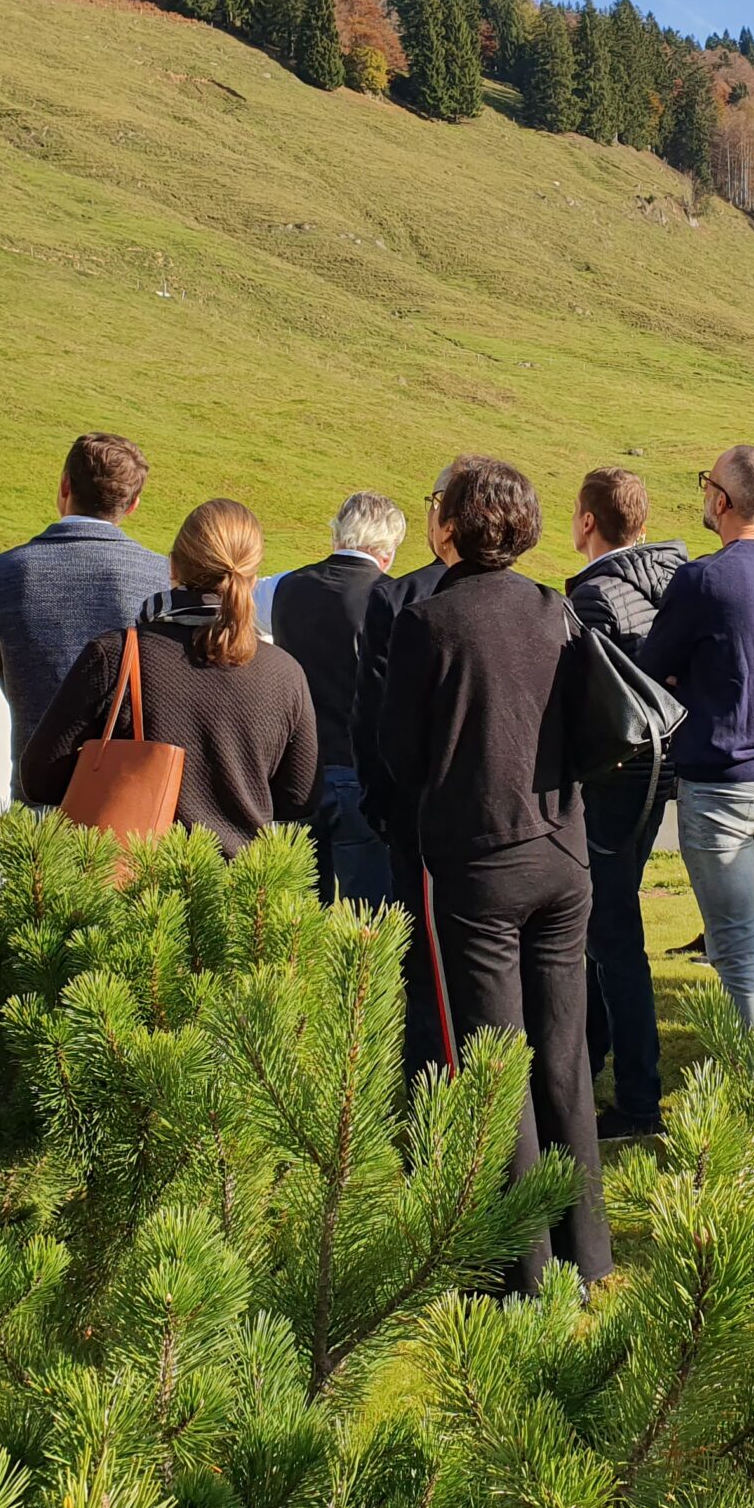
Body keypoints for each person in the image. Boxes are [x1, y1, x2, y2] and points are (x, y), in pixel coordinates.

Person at [380, 456, 609, 1290]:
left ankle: (524, 1268)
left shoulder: (427, 623)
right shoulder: (555, 609)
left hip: (478, 862)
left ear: (451, 525)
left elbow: (399, 754)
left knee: (495, 1062)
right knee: (563, 1054)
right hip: (562, 851)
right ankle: (587, 1252)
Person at [637, 445, 754, 1034]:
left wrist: (688, 676)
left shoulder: (703, 578)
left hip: (722, 781)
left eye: (706, 484)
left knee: (738, 950)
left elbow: (651, 668)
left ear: (721, 500)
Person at [20, 499, 320, 853]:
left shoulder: (115, 655)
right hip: (241, 880)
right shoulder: (285, 672)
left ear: (173, 566)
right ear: (253, 579)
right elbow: (300, 797)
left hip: (133, 874)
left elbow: (39, 778)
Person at [566, 467, 688, 1139]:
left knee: (611, 935)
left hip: (615, 776)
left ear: (588, 521)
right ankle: (593, 1060)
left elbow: (594, 703)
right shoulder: (674, 580)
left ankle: (639, 1096)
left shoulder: (593, 596)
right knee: (608, 925)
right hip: (659, 772)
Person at [0, 433, 169, 802]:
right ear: (133, 505)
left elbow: (9, 676)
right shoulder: (160, 575)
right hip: (125, 796)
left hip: (36, 791)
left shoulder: (9, 571)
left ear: (65, 485)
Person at [353, 463, 460, 1082]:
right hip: (505, 821)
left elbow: (375, 721)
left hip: (420, 816)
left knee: (425, 961)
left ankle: (431, 1086)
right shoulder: (538, 601)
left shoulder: (398, 599)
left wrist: (382, 803)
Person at [271, 492, 409, 907]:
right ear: (388, 551)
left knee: (297, 920)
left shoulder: (285, 587)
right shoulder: (393, 599)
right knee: (371, 916)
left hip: (296, 771)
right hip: (359, 772)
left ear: (336, 535)